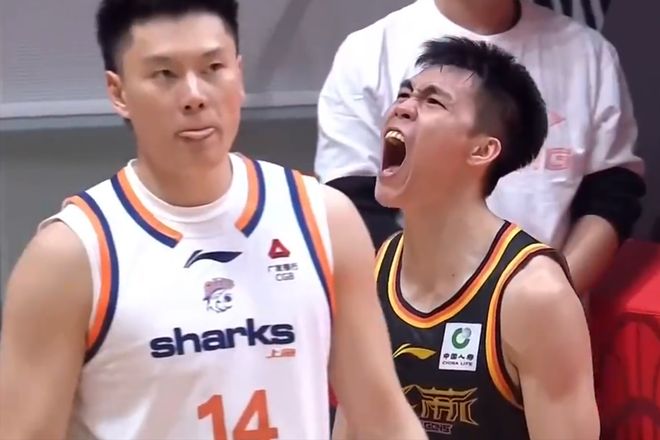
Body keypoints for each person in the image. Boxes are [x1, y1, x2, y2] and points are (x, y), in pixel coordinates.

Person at [0, 1, 427, 439]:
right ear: (118, 92)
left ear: (238, 74)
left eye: (212, 68)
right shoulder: (70, 256)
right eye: (164, 74)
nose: (194, 95)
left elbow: (384, 420)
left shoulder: (324, 219)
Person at [332, 37, 600, 439]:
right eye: (404, 95)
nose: (402, 107)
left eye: (433, 102)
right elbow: (352, 425)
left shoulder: (534, 296)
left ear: (482, 150)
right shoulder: (374, 270)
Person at [314, 0, 646, 297]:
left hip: (545, 321)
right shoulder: (370, 51)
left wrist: (548, 297)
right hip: (409, 320)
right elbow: (351, 203)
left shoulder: (588, 53)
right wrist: (437, 306)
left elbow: (612, 195)